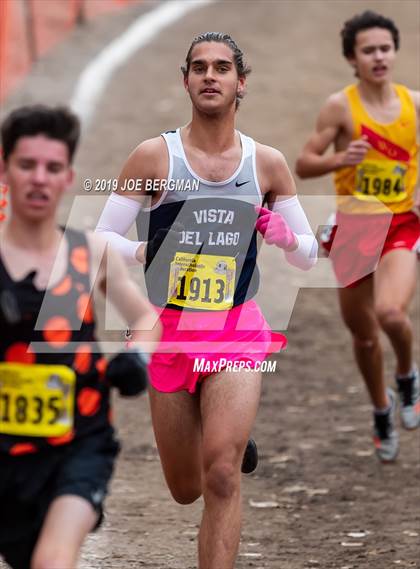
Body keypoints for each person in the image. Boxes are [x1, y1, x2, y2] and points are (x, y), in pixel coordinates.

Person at [96, 32, 317, 569]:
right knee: (185, 487)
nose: (210, 76)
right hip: (166, 332)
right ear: (187, 81)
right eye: (199, 68)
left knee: (220, 477)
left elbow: (309, 254)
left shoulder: (266, 164)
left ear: (241, 83)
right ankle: (227, 442)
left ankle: (229, 446)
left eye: (222, 68)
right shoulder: (155, 157)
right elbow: (98, 239)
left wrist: (285, 237)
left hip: (236, 332)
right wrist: (146, 249)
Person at [0, 105, 161, 569]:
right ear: (6, 170)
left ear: (69, 176)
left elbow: (147, 318)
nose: (39, 179)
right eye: (26, 165)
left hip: (76, 446)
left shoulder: (91, 252)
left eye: (52, 168)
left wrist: (137, 358)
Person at [295, 11, 420, 463]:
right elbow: (303, 163)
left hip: (401, 225)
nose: (379, 57)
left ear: (394, 51)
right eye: (369, 50)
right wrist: (340, 159)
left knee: (390, 313)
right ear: (353, 57)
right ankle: (381, 408)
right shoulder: (340, 107)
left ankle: (407, 375)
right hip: (355, 229)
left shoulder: (414, 104)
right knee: (364, 337)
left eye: (385, 48)